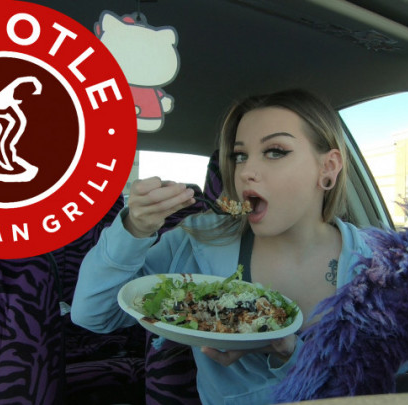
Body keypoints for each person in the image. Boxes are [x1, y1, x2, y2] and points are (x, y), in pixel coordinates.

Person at [71, 89, 371, 404]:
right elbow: (94, 315)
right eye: (240, 156)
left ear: (328, 167)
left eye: (275, 151)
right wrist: (135, 229)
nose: (246, 172)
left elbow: (385, 386)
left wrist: (289, 352)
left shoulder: (378, 265)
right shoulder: (195, 240)